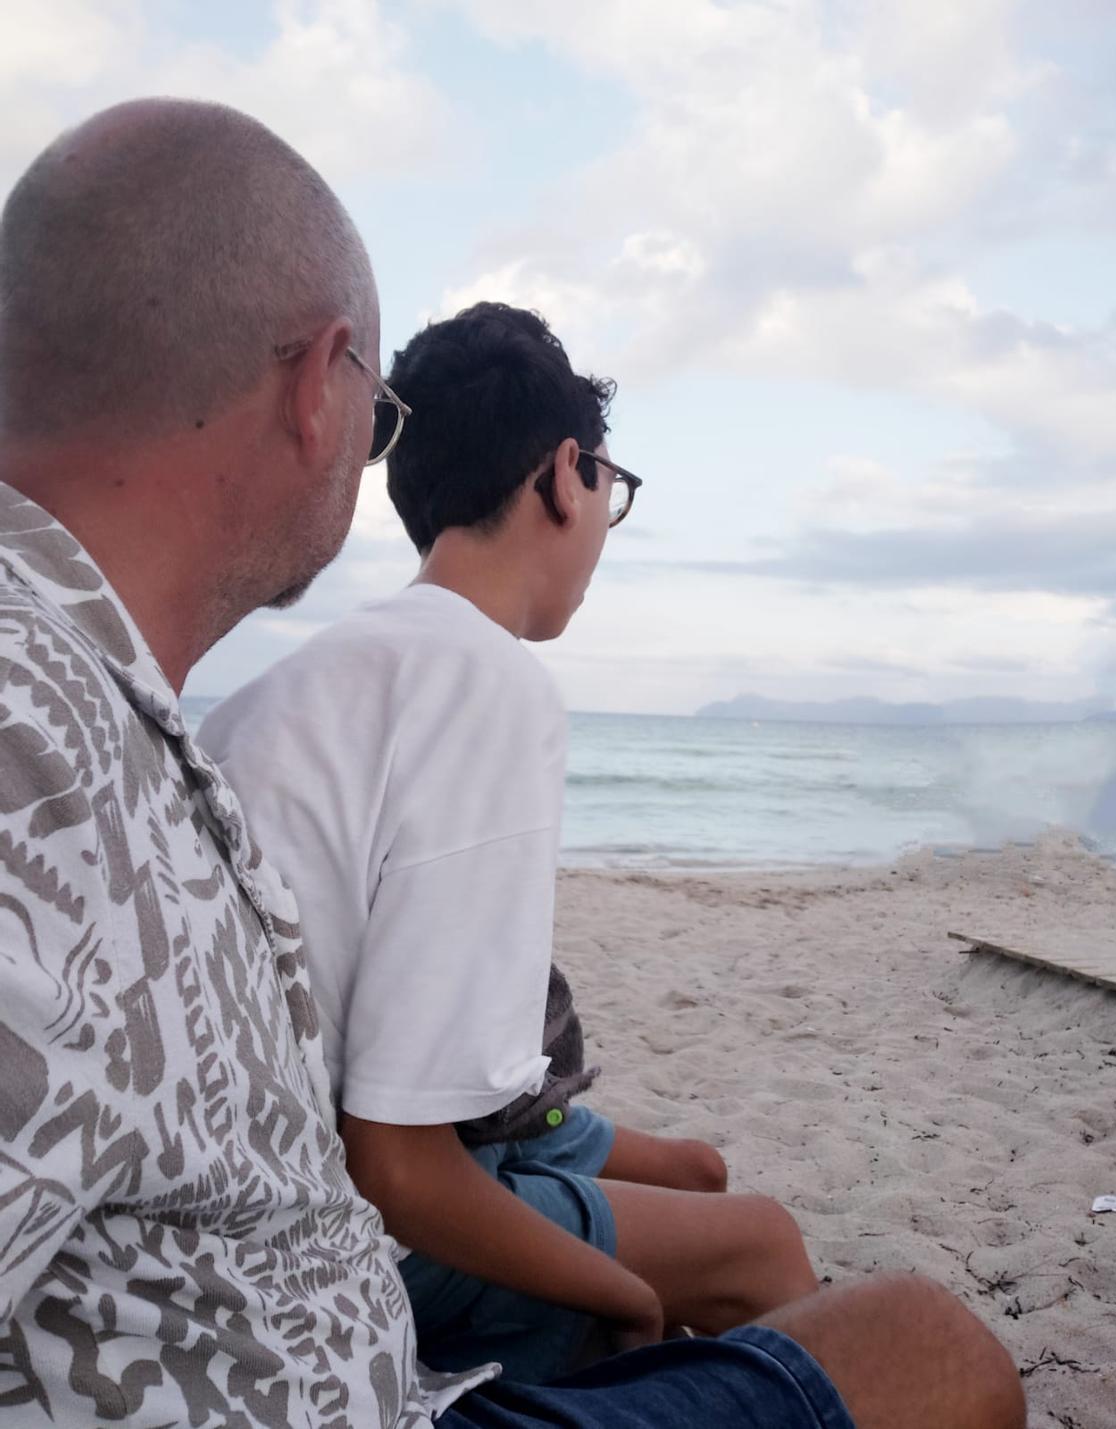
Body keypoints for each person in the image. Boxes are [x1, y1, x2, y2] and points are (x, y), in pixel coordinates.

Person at [0, 99, 1025, 1429]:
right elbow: (400, 1155)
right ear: (321, 386)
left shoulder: (150, 706)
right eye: (377, 410)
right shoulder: (57, 724)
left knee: (699, 1195)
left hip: (330, 1307)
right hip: (358, 1326)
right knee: (924, 1345)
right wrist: (618, 1292)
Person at [201, 301, 825, 1385]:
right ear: (564, 473)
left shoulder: (293, 684)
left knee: (698, 1173)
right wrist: (623, 1292)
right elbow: (393, 1160)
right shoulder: (487, 685)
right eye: (609, 492)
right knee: (759, 1244)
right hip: (331, 1234)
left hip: (244, 1173)